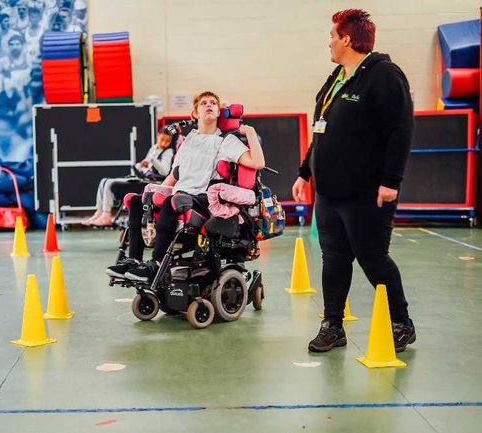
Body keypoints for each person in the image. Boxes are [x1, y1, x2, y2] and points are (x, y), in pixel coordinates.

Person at [292, 9, 415, 353]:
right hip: (329, 193)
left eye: (332, 36)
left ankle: (401, 323)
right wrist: (306, 170)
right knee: (333, 259)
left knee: (373, 258)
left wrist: (391, 181)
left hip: (367, 193)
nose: (329, 43)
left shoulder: (384, 75)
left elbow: (400, 131)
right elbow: (322, 129)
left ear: (347, 39)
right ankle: (333, 325)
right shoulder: (337, 77)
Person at [107, 91, 265, 282]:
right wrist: (151, 194)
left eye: (213, 103)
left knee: (172, 202)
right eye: (203, 103)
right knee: (136, 200)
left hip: (202, 199)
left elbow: (258, 162)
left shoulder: (225, 141)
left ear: (218, 111)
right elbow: (175, 174)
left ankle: (155, 265)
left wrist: (249, 133)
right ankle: (134, 260)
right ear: (195, 113)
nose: (209, 105)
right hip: (181, 195)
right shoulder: (188, 141)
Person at [84, 128, 175, 227]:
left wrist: (152, 160)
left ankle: (106, 215)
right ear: (158, 136)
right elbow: (143, 165)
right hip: (142, 176)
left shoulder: (168, 152)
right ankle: (99, 212)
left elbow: (164, 171)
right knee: (104, 181)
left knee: (110, 183)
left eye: (167, 141)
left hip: (150, 181)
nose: (164, 143)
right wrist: (140, 165)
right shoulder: (154, 148)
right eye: (162, 140)